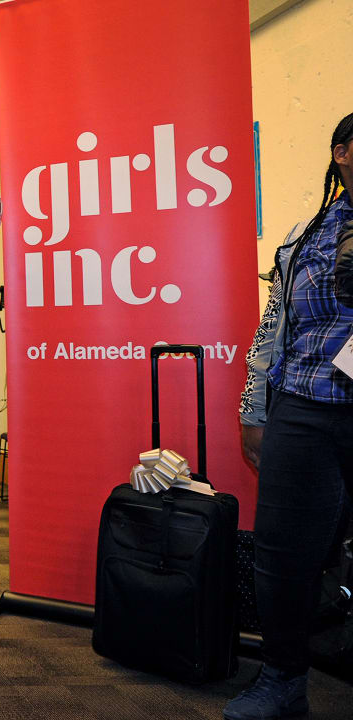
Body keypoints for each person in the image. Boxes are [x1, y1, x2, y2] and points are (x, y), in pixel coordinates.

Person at [229, 112, 353, 720]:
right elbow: (274, 327)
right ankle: (282, 681)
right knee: (282, 555)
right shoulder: (305, 236)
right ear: (342, 153)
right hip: (304, 411)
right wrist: (255, 407)